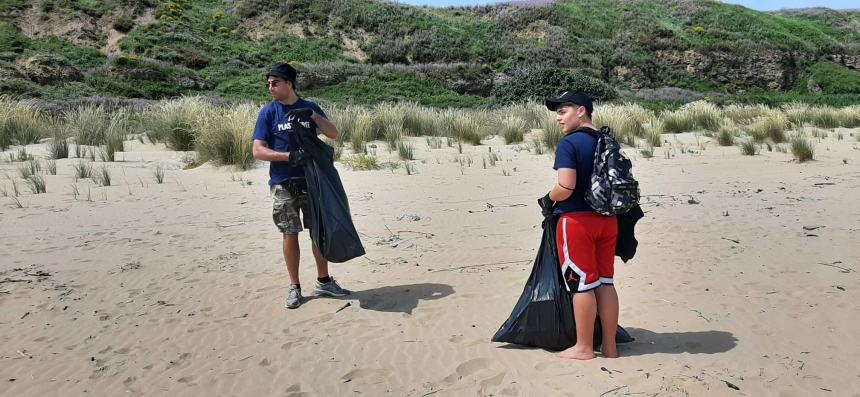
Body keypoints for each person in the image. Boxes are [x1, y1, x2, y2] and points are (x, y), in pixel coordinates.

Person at [252, 62, 350, 309]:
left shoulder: (309, 107)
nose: (270, 88)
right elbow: (258, 150)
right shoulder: (268, 113)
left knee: (319, 231)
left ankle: (324, 281)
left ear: (289, 83)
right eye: (268, 84)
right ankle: (294, 286)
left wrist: (314, 116)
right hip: (283, 182)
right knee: (290, 232)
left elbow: (333, 133)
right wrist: (289, 156)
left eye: (275, 83)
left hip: (312, 180)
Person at [543, 90, 619, 359]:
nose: (558, 118)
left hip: (576, 222)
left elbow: (566, 186)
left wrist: (547, 198)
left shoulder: (569, 144)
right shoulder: (607, 140)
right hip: (608, 222)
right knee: (605, 283)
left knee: (582, 285)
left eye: (562, 111)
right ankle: (610, 346)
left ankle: (584, 347)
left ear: (581, 111)